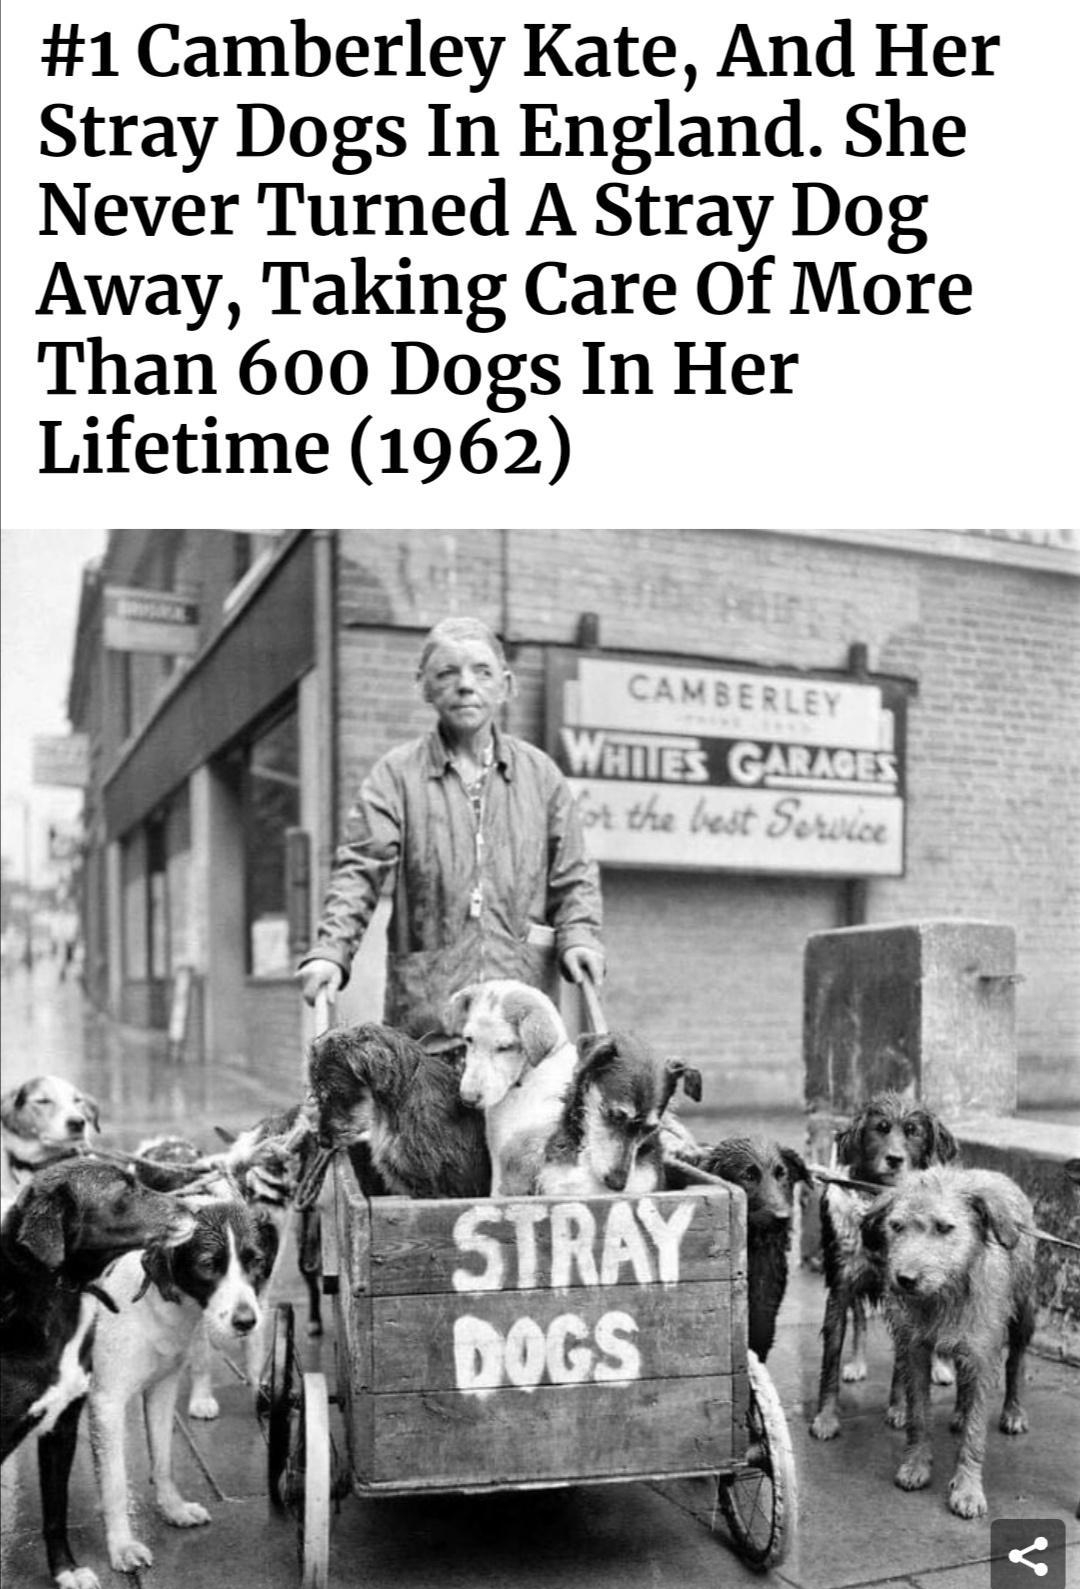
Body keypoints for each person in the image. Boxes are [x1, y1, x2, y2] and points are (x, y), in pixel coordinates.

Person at [296, 617, 604, 1036]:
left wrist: (580, 936)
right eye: (447, 673)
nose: (465, 685)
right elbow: (358, 872)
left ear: (506, 685)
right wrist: (331, 952)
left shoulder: (541, 775)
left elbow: (574, 875)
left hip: (516, 1023)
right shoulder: (396, 775)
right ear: (423, 686)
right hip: (429, 1019)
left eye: (482, 671)